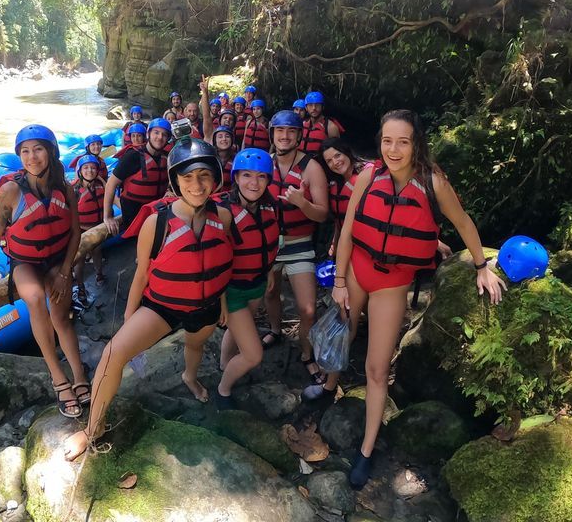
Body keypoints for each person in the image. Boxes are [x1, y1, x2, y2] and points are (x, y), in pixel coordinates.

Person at [320, 109, 506, 489]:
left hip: (392, 283)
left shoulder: (433, 182)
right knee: (344, 328)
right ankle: (326, 387)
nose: (394, 149)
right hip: (356, 270)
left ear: (416, 143)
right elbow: (350, 231)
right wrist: (339, 280)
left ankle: (367, 450)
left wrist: (481, 265)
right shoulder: (368, 175)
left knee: (376, 368)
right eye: (387, 140)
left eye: (403, 141)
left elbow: (464, 222)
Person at [63, 139, 234, 461]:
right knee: (113, 353)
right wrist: (130, 315)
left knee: (195, 346)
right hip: (162, 305)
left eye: (204, 176)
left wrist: (222, 303)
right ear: (175, 182)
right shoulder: (157, 222)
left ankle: (190, 377)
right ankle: (92, 429)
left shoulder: (223, 217)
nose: (197, 185)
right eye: (188, 178)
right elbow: (141, 274)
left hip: (207, 304)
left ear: (215, 179)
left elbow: (220, 262)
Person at [0, 125, 89, 418]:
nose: (31, 157)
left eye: (37, 149)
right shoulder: (10, 191)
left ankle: (79, 374)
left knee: (61, 317)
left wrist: (64, 272)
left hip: (58, 260)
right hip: (25, 263)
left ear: (50, 152)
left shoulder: (66, 189)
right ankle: (58, 377)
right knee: (34, 298)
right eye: (25, 151)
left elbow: (75, 233)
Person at [262, 111, 329, 386]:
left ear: (299, 136)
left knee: (308, 309)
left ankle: (306, 353)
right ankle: (276, 330)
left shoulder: (311, 168)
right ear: (273, 135)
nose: (285, 136)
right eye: (280, 131)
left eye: (290, 132)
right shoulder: (264, 163)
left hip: (299, 243)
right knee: (271, 291)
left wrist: (302, 203)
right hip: (267, 242)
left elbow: (323, 214)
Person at [214, 149, 280, 410]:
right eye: (247, 175)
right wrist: (219, 300)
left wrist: (270, 271)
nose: (254, 183)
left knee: (238, 329)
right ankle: (223, 389)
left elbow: (269, 242)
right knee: (253, 355)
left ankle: (224, 365)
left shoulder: (269, 206)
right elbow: (215, 259)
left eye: (261, 176)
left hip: (256, 284)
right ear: (236, 178)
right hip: (232, 291)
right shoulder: (224, 212)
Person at [104, 118, 171, 234]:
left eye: (164, 134)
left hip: (155, 212)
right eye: (156, 132)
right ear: (148, 134)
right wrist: (108, 217)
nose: (160, 137)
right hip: (133, 216)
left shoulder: (167, 157)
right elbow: (111, 183)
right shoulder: (133, 156)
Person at [72, 155, 106, 300]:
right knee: (79, 260)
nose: (89, 171)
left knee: (97, 252)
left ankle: (99, 274)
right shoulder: (74, 190)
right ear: (80, 171)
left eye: (93, 168)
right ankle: (80, 287)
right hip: (80, 230)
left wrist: (103, 180)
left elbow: (111, 197)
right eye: (85, 168)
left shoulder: (100, 185)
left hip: (96, 226)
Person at [213, 125, 236, 192]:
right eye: (220, 137)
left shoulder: (236, 159)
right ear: (215, 141)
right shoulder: (210, 158)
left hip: (229, 198)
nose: (224, 139)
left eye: (227, 136)